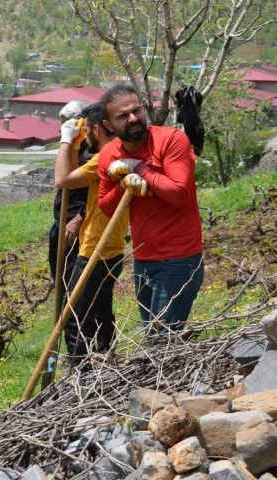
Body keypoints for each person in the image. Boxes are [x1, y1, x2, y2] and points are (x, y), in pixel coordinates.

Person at [96, 85, 204, 338]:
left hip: (179, 258)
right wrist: (124, 186)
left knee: (161, 340)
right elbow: (106, 207)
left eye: (136, 110)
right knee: (154, 337)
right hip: (143, 259)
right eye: (122, 116)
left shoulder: (171, 140)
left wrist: (138, 168)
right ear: (108, 125)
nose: (133, 118)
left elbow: (179, 194)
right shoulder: (109, 155)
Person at [54, 103, 126, 364]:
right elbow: (75, 178)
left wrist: (64, 142)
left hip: (96, 248)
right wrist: (74, 146)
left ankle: (79, 378)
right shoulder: (116, 153)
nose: (84, 137)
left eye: (86, 131)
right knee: (100, 311)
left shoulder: (105, 157)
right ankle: (106, 360)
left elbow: (62, 180)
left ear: (97, 129)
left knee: (74, 318)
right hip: (111, 247)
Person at [49, 100, 91, 311]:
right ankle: (62, 334)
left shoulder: (91, 151)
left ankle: (76, 332)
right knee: (59, 283)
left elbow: (97, 191)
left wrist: (79, 218)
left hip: (76, 224)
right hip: (61, 222)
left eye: (66, 122)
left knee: (73, 286)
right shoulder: (70, 147)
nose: (62, 128)